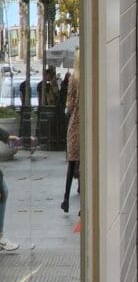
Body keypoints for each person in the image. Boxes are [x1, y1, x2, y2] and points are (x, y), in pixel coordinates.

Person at [62, 53, 80, 214]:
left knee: (72, 162)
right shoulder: (89, 77)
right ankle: (84, 204)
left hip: (75, 124)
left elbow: (69, 103)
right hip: (88, 124)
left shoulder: (73, 78)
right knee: (85, 164)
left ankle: (66, 198)